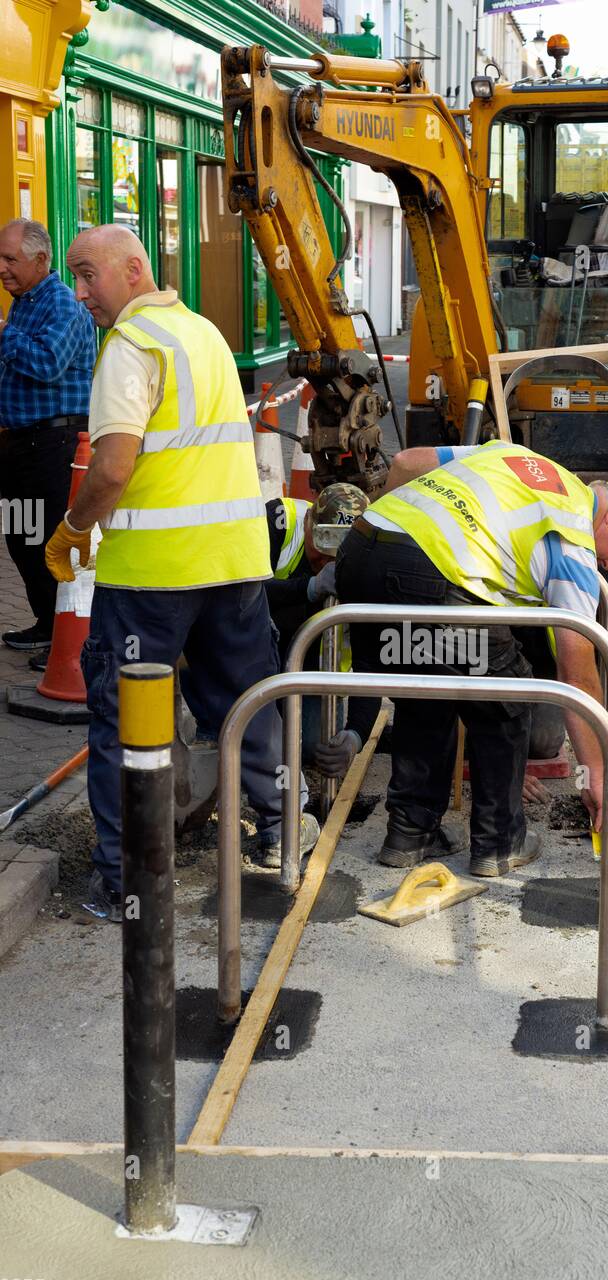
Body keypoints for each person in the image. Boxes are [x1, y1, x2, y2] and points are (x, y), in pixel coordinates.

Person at [45, 224, 316, 920]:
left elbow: (111, 466)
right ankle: (282, 830)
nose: (81, 294)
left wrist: (74, 529)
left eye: (88, 276)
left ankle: (124, 882)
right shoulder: (201, 333)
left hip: (151, 580)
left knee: (124, 726)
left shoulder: (130, 347)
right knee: (245, 702)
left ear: (133, 270)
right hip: (231, 564)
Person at [337, 439, 608, 876]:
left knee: (424, 689)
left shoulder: (515, 456)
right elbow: (577, 676)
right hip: (433, 574)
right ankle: (499, 842)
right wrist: (598, 775)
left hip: (360, 552)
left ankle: (410, 833)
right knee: (505, 698)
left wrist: (393, 542)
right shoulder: (572, 539)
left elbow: (405, 461)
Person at [0, 218, 95, 653]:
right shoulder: (24, 301)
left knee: (47, 539)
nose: (2, 268)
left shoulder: (60, 303)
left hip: (52, 446)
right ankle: (46, 623)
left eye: (9, 259)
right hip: (20, 445)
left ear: (40, 260)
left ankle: (67, 640)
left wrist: (5, 335)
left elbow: (46, 364)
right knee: (20, 535)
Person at [264, 483, 380, 776]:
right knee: (257, 741)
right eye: (322, 548)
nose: (328, 563)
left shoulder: (370, 562)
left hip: (315, 674)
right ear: (308, 523)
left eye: (339, 553)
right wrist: (307, 588)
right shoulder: (280, 522)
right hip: (259, 655)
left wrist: (356, 735)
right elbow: (242, 594)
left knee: (313, 746)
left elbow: (371, 663)